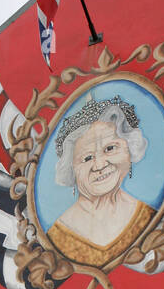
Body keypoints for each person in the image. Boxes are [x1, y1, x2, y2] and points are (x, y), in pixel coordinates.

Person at [47, 96, 154, 268]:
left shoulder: (150, 216)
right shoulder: (57, 237)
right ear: (70, 169)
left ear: (130, 150)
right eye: (87, 158)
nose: (99, 165)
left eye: (110, 148)